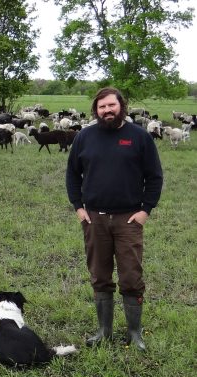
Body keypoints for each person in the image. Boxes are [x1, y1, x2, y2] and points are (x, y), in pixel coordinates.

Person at [66, 87, 163, 350]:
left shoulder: (140, 137)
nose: (107, 110)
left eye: (111, 105)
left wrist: (145, 211)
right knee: (99, 275)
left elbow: (154, 177)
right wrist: (78, 207)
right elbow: (73, 174)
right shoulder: (84, 137)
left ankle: (134, 333)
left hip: (128, 220)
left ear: (122, 105)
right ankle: (103, 331)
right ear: (96, 111)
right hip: (94, 219)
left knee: (131, 276)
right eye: (102, 107)